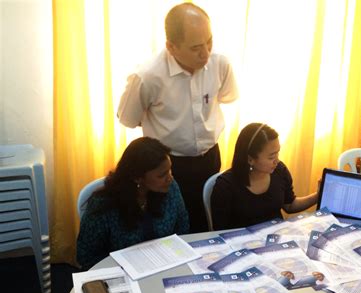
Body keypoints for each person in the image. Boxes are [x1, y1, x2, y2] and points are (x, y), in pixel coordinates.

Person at [117, 3, 238, 233]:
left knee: (206, 223)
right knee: (170, 230)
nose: (206, 53)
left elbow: (225, 97)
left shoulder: (220, 64)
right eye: (195, 48)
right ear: (171, 47)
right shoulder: (148, 76)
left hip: (210, 157)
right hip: (169, 166)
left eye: (209, 41)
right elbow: (128, 118)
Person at [76, 137, 189, 269]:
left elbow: (182, 227)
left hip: (165, 265)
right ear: (137, 178)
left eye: (170, 170)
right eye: (162, 175)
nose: (170, 178)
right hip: (121, 272)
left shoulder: (170, 188)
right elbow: (86, 256)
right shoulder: (104, 204)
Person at [211, 123, 318, 230]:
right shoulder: (225, 186)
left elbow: (289, 205)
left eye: (277, 153)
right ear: (250, 159)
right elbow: (220, 231)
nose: (277, 161)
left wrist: (318, 195)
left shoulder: (279, 171)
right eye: (271, 157)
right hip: (240, 242)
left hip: (275, 239)